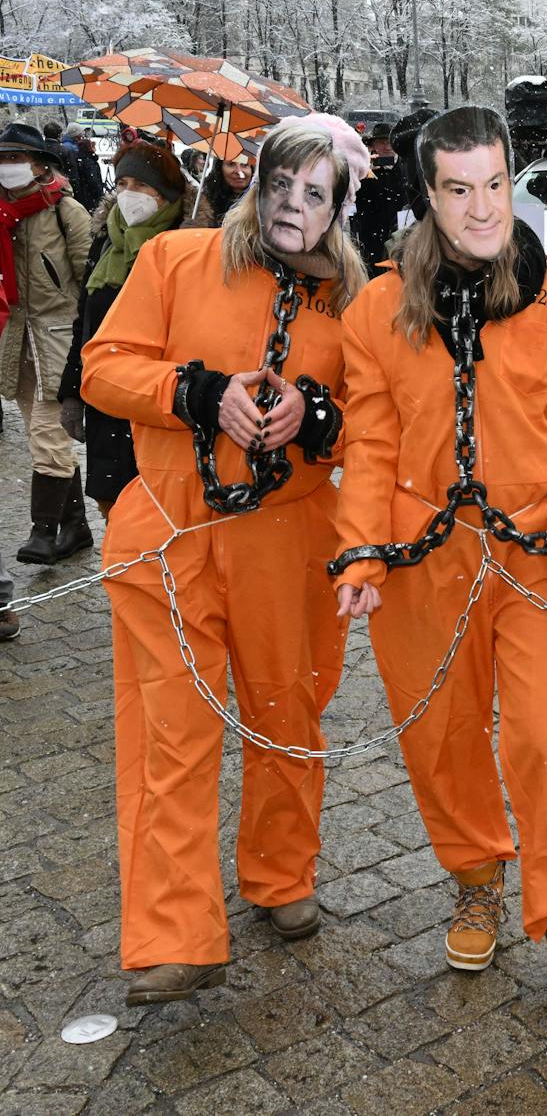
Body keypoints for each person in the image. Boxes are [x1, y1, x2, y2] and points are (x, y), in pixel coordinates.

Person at [331, 106, 547, 1018]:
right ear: (428, 193)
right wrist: (361, 551)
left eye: (495, 184)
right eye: (460, 190)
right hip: (425, 555)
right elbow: (370, 442)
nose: (483, 207)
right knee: (441, 736)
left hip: (538, 552)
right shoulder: (377, 309)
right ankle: (476, 876)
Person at [82, 115, 366, 1005]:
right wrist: (197, 392)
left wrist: (316, 417)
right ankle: (176, 933)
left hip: (288, 538)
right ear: (256, 185)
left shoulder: (352, 301)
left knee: (288, 709)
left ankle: (281, 872)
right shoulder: (176, 260)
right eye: (281, 183)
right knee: (171, 730)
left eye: (314, 192)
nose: (293, 204)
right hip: (170, 530)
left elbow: (375, 418)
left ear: (337, 208)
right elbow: (102, 366)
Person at [59, 141, 190, 516]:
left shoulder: (186, 245)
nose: (129, 193)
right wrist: (72, 391)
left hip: (162, 399)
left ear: (165, 193)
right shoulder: (106, 239)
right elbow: (85, 320)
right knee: (114, 504)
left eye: (142, 185)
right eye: (122, 183)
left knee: (161, 507)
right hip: (108, 397)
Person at [0, 122, 92, 565]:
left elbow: (89, 280)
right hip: (18, 341)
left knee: (45, 432)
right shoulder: (3, 213)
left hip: (58, 337)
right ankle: (76, 527)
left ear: (39, 165)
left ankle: (43, 531)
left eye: (16, 158)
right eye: (2, 159)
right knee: (43, 436)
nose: (7, 167)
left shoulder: (65, 211)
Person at [350, 122, 403, 267]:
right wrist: (364, 171)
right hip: (371, 236)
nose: (387, 147)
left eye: (390, 142)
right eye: (382, 142)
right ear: (373, 145)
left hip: (400, 235)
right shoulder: (363, 169)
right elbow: (352, 196)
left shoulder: (405, 169)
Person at [184, 154, 255, 230]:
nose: (238, 171)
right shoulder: (203, 204)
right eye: (231, 164)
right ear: (220, 168)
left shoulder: (259, 202)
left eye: (244, 165)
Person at [60, 126, 107, 211]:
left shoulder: (78, 158)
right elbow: (93, 181)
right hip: (90, 197)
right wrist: (99, 194)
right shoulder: (88, 161)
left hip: (82, 194)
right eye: (93, 146)